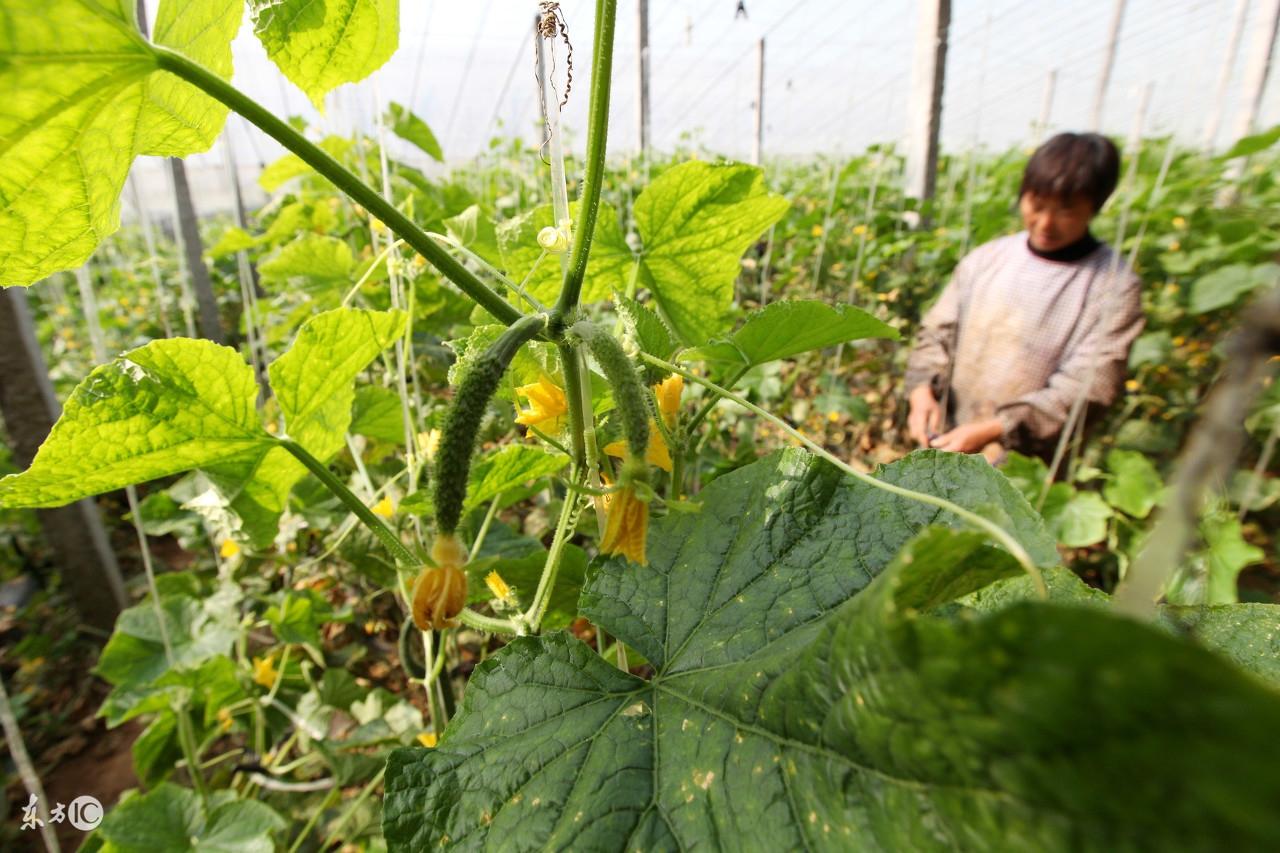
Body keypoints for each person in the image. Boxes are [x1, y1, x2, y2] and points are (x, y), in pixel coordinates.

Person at [904, 132, 1145, 466]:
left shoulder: (1113, 284)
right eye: (1036, 205)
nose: (1045, 223)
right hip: (947, 436)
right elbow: (936, 334)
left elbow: (1089, 386)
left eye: (1067, 211)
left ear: (1096, 206)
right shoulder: (987, 259)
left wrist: (998, 428)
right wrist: (921, 392)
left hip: (1029, 461)